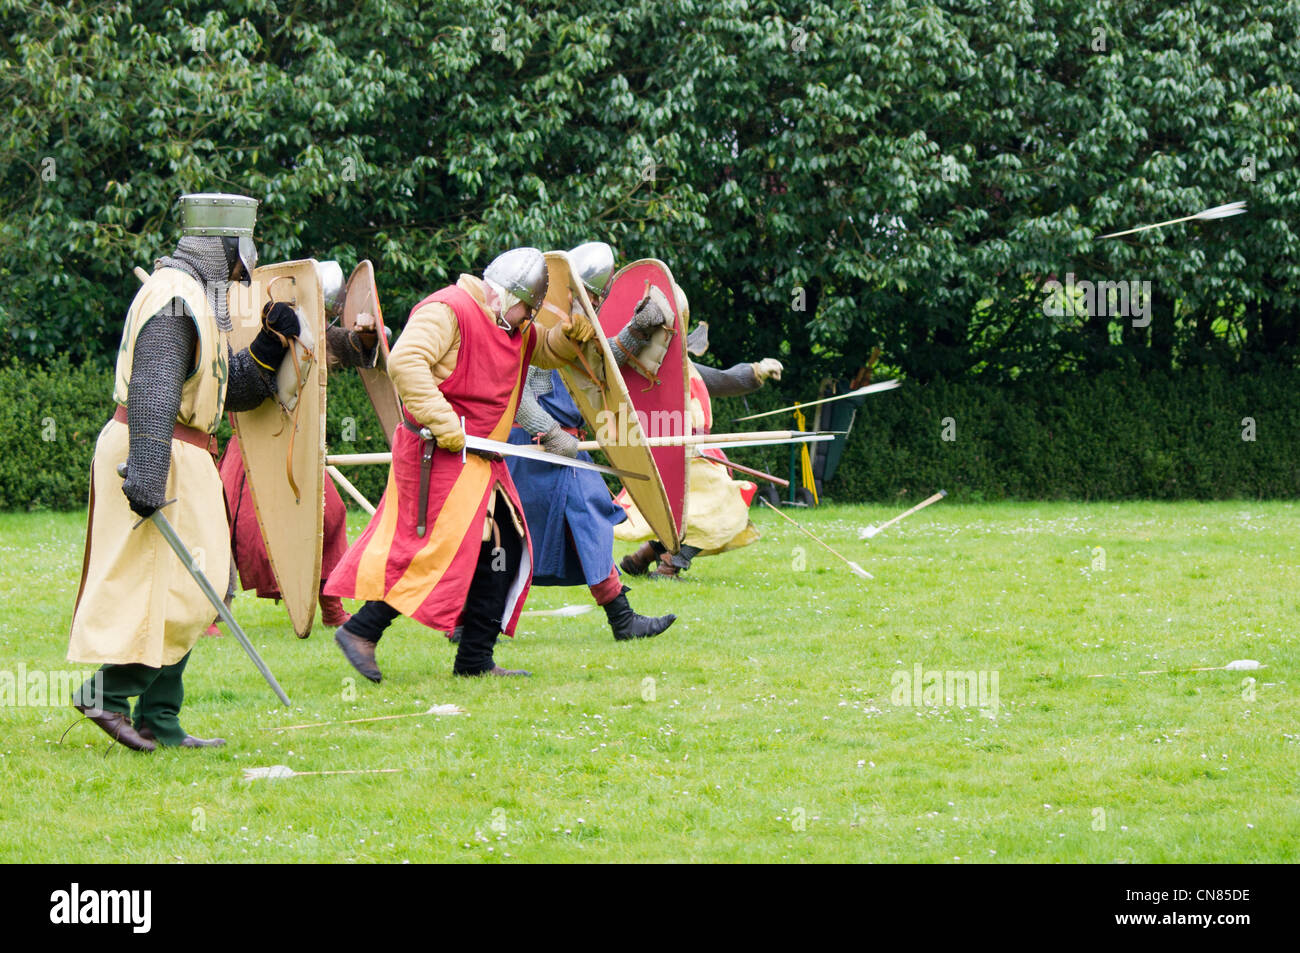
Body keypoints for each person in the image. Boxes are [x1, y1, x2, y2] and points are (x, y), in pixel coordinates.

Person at [67, 192, 303, 751]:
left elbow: (223, 391)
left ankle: (160, 720)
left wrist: (270, 345)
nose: (245, 271)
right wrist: (147, 468)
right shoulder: (174, 297)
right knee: (187, 590)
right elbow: (154, 383)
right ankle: (107, 692)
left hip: (182, 452)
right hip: (159, 449)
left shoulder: (195, 299)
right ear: (225, 246)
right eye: (242, 256)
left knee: (196, 585)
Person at [325, 247, 597, 682]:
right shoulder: (446, 310)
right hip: (438, 453)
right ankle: (361, 631)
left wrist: (572, 335)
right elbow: (406, 363)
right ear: (505, 295)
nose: (529, 319)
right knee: (434, 552)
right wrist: (446, 423)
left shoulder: (512, 324)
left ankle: (474, 658)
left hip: (481, 458)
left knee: (501, 548)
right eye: (526, 308)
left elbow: (545, 349)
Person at [502, 241, 676, 641]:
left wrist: (638, 329)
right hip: (531, 448)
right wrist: (547, 430)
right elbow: (520, 392)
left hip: (562, 452)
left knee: (587, 521)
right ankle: (468, 622)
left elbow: (597, 363)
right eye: (593, 296)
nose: (594, 303)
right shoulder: (546, 327)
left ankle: (622, 618)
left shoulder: (578, 330)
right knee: (510, 540)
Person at [217, 317, 380, 630]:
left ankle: (331, 607)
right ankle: (213, 613)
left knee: (329, 516)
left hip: (296, 445)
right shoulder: (233, 325)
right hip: (250, 445)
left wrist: (368, 335)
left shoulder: (307, 325)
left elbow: (353, 349)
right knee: (231, 531)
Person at [617, 286, 784, 577]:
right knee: (722, 510)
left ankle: (644, 556)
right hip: (676, 455)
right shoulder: (644, 372)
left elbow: (722, 380)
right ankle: (669, 565)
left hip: (699, 453)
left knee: (689, 515)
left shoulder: (686, 367)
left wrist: (757, 370)